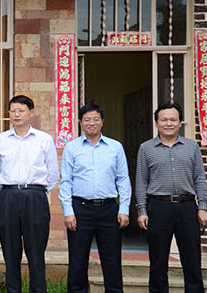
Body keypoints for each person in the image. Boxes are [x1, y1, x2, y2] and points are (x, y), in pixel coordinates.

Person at [135, 102, 207, 292]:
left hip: (187, 207)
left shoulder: (192, 147)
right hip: (158, 207)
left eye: (173, 119)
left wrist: (203, 207)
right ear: (156, 122)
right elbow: (141, 181)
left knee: (192, 261)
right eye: (164, 119)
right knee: (158, 261)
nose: (169, 123)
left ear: (180, 122)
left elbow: (200, 178)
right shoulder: (146, 148)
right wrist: (142, 210)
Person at [58, 102, 131, 293]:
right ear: (80, 122)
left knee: (112, 260)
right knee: (78, 259)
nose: (92, 123)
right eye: (87, 119)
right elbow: (66, 181)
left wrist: (124, 209)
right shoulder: (72, 148)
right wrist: (68, 212)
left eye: (96, 119)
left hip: (109, 209)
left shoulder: (115, 147)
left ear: (102, 121)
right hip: (80, 209)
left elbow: (123, 179)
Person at [0, 95, 58, 293]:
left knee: (36, 252)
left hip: (35, 197)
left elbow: (53, 173)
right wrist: (11, 190)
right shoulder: (1, 140)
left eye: (21, 110)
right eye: (13, 111)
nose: (17, 114)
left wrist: (35, 191)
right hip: (9, 196)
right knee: (10, 251)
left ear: (31, 112)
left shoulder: (44, 139)